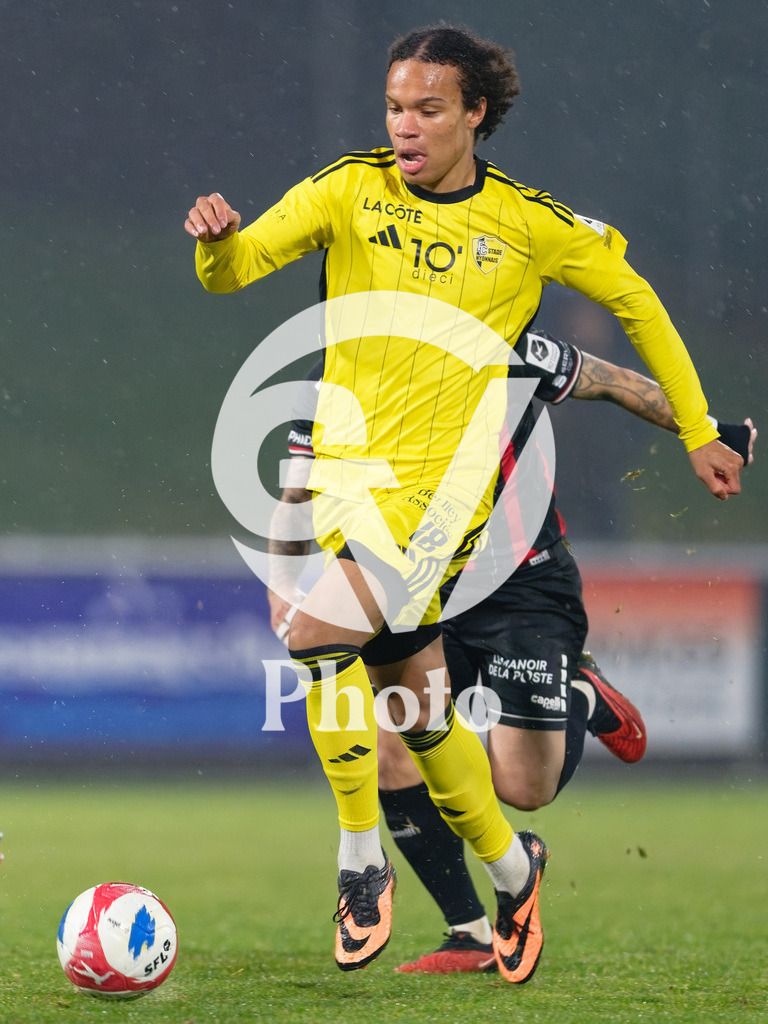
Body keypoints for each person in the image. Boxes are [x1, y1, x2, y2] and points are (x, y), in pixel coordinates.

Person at [186, 25, 744, 981]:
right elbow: (235, 272)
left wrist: (697, 428)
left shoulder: (527, 225)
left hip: (449, 511)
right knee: (414, 709)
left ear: (475, 115)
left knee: (319, 639)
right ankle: (507, 878)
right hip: (353, 494)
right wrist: (218, 243)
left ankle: (360, 862)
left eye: (428, 109)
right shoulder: (348, 191)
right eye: (396, 108)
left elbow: (638, 307)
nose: (405, 126)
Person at [267, 337, 755, 973]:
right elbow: (297, 496)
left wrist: (705, 430)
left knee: (523, 788)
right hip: (420, 579)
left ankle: (579, 691)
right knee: (393, 745)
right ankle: (467, 932)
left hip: (523, 587)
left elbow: (612, 383)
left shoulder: (497, 343)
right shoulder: (329, 375)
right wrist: (281, 587)